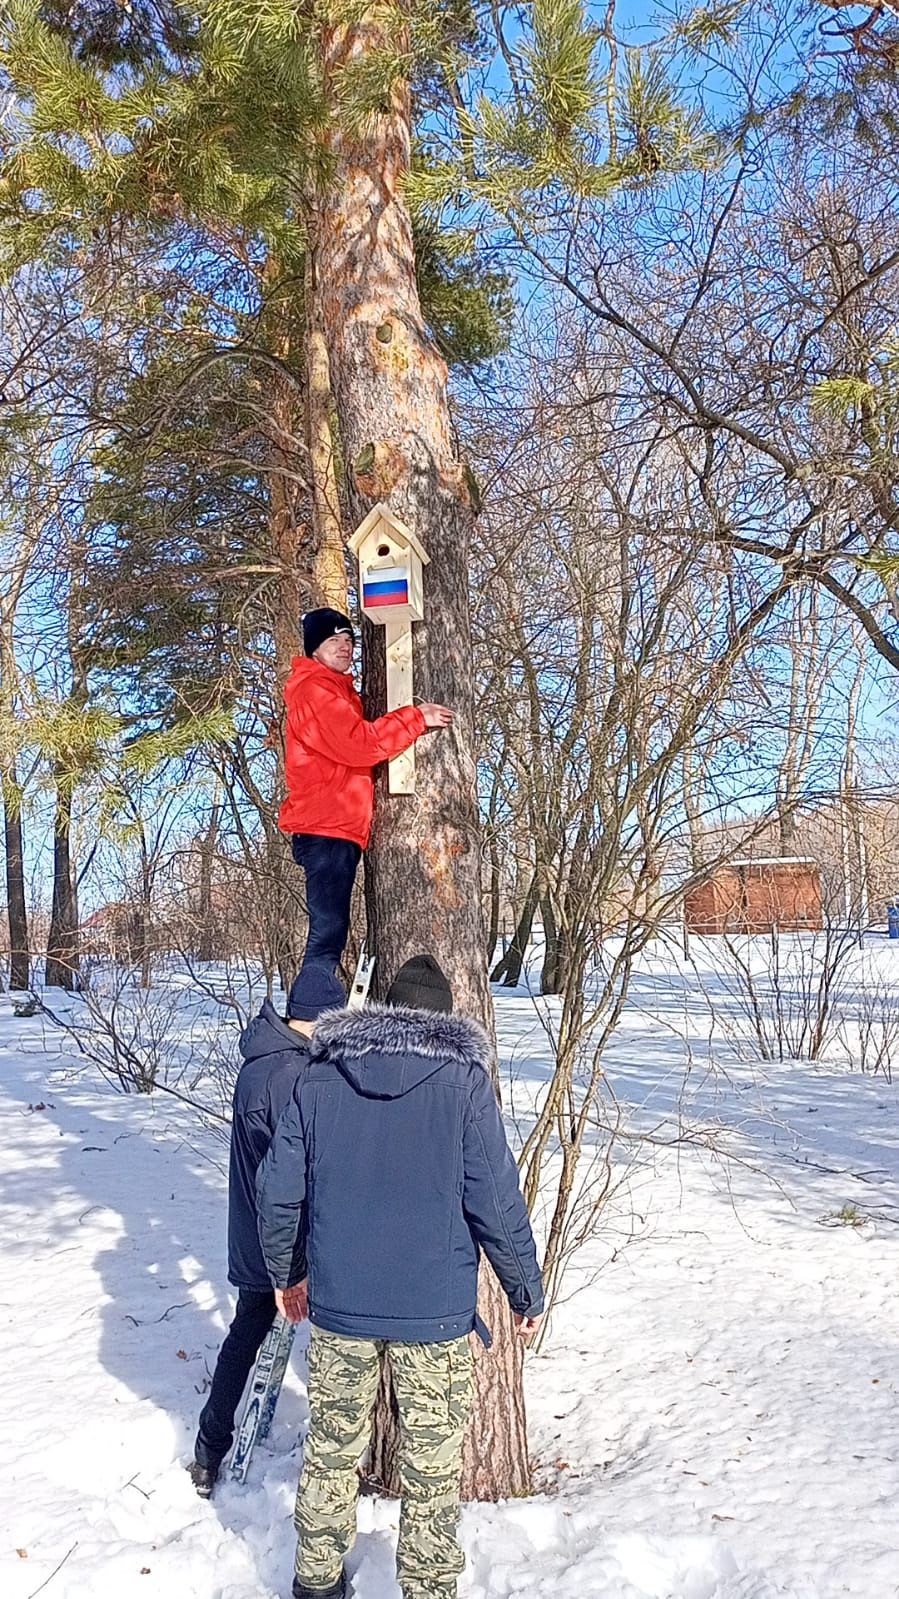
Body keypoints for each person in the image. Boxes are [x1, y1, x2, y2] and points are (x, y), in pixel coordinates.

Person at [256, 954, 544, 1599]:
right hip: (432, 1313)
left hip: (342, 1309)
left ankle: (315, 1581)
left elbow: (278, 1190)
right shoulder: (465, 1084)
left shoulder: (319, 1077)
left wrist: (288, 1271)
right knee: (433, 1469)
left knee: (331, 1451)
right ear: (443, 1021)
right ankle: (428, 1586)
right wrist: (524, 1288)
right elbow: (494, 1196)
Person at [188, 964, 345, 1497]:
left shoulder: (267, 1059)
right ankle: (213, 1449)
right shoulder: (291, 1078)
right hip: (277, 1241)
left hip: (255, 1233)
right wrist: (295, 1264)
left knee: (244, 1334)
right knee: (260, 1331)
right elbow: (292, 1175)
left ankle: (208, 1448)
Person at [280, 608, 452, 1022]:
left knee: (335, 931)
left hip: (337, 827)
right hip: (325, 827)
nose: (345, 646)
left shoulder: (336, 691)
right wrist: (417, 718)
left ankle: (312, 1015)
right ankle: (305, 1022)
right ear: (314, 648)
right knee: (328, 933)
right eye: (333, 640)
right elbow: (359, 744)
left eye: (349, 640)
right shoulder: (315, 691)